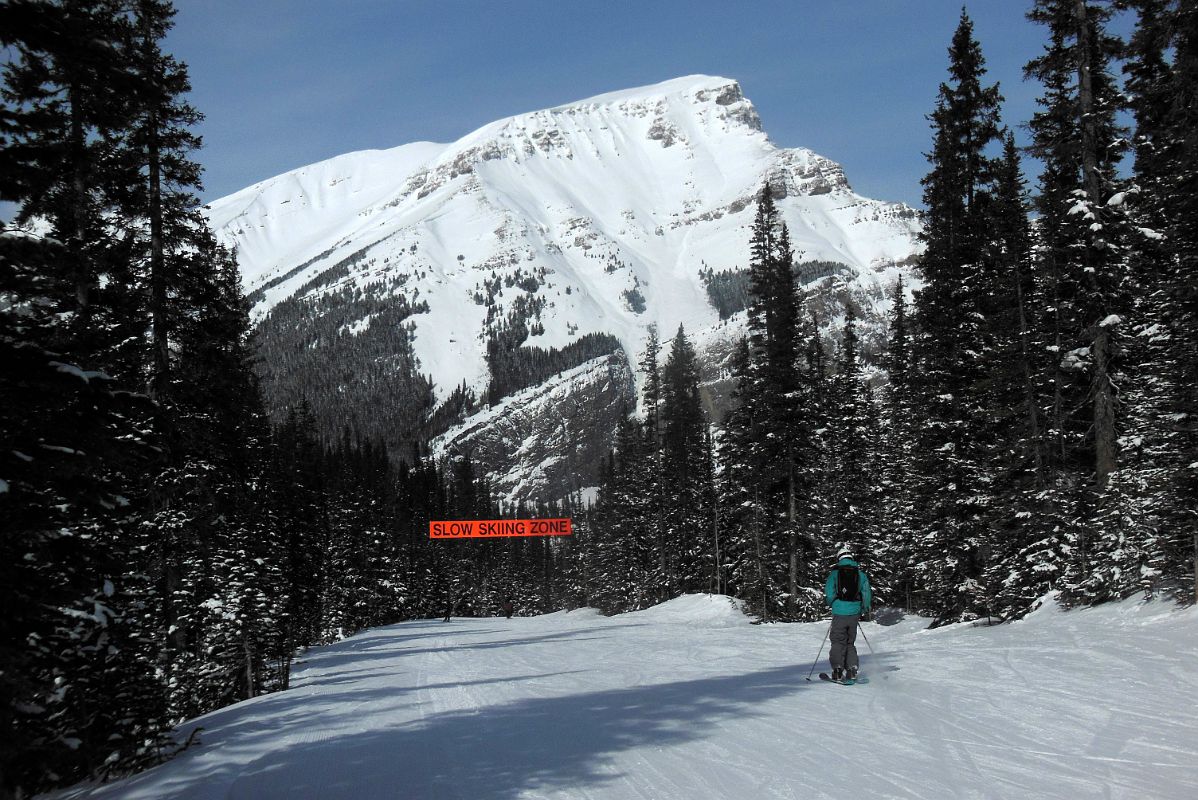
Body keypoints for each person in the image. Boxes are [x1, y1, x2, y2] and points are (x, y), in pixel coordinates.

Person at [824, 546, 872, 682]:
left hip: (839, 611)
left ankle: (837, 670)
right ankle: (852, 669)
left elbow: (828, 592)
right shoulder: (860, 574)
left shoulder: (834, 573)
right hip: (854, 611)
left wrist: (832, 603)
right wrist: (863, 608)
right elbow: (866, 593)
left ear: (839, 558)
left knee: (838, 641)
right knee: (850, 642)